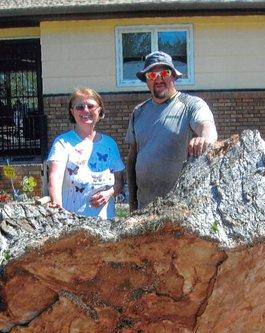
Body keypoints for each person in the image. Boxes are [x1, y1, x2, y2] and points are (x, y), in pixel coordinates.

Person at [126, 51, 217, 211]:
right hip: (144, 208)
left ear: (174, 76)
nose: (159, 78)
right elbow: (133, 158)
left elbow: (206, 126)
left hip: (181, 209)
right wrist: (132, 203)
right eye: (152, 74)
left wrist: (205, 138)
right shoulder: (138, 112)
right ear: (146, 80)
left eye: (165, 73)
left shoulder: (191, 105)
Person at [47, 88, 125, 219]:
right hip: (73, 223)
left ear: (99, 110)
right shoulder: (62, 143)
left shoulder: (110, 144)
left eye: (91, 106)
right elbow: (55, 177)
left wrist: (109, 193)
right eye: (79, 107)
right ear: (72, 112)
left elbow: (119, 181)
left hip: (106, 224)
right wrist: (58, 208)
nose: (86, 110)